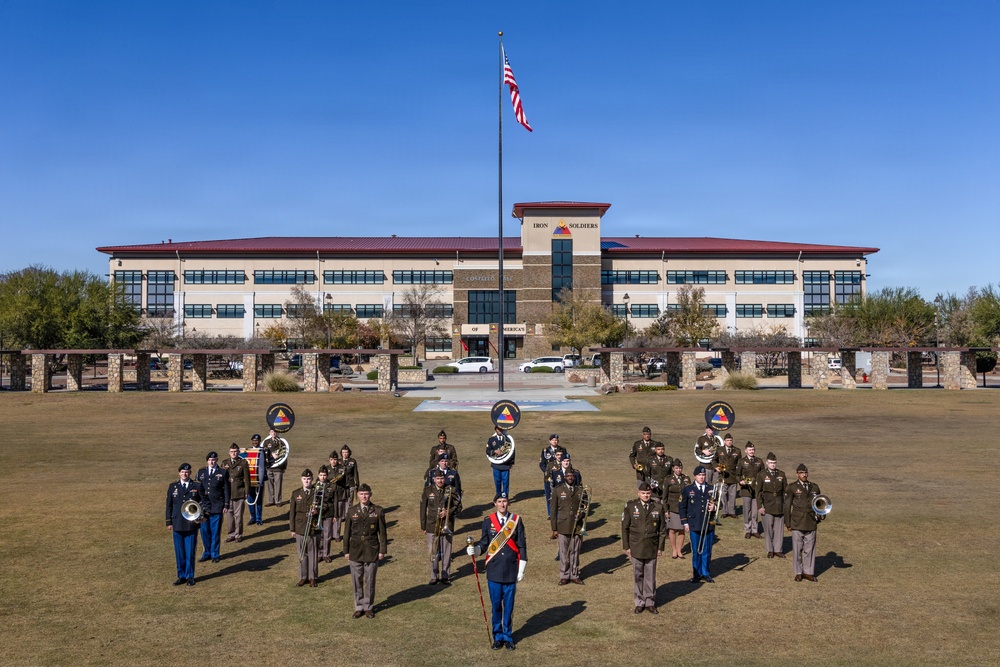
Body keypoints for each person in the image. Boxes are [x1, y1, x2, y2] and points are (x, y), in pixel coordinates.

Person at [467, 493, 527, 650]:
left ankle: (508, 636)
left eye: (505, 501)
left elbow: (521, 545)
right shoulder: (488, 521)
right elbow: (484, 543)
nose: (502, 504)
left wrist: (521, 569)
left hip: (510, 570)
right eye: (499, 502)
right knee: (496, 606)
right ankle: (497, 636)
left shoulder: (516, 521)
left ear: (508, 503)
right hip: (494, 571)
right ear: (495, 504)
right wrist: (476, 550)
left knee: (508, 606)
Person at [621, 482, 667, 613]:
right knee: (638, 575)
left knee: (650, 575)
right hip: (636, 545)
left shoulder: (658, 507)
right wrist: (626, 546)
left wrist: (660, 547)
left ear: (651, 493)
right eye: (643, 493)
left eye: (648, 493)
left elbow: (662, 529)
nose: (646, 495)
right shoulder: (631, 506)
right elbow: (625, 528)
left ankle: (650, 601)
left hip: (652, 546)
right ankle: (639, 601)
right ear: (638, 493)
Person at [344, 483, 388, 618]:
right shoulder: (352, 511)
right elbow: (346, 533)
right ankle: (359, 606)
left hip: (371, 549)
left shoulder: (378, 511)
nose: (364, 496)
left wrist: (382, 550)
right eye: (362, 494)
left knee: (370, 579)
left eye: (366, 494)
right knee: (356, 579)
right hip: (355, 550)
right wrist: (346, 550)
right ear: (358, 495)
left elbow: (383, 533)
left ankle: (368, 606)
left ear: (370, 494)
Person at [165, 463, 204, 586]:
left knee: (190, 551)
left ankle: (190, 576)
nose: (184, 474)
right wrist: (168, 522)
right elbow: (169, 505)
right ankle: (181, 575)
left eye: (186, 472)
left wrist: (203, 516)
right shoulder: (173, 486)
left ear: (190, 473)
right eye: (182, 472)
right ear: (179, 473)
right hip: (177, 523)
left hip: (190, 524)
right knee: (179, 552)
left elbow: (204, 502)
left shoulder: (196, 486)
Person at [784, 463, 824, 582]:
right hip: (797, 522)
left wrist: (821, 515)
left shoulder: (814, 487)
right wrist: (788, 523)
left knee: (810, 549)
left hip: (811, 521)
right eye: (801, 473)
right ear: (797, 474)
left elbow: (820, 503)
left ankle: (808, 572)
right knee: (797, 549)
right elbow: (787, 506)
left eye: (805, 473)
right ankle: (798, 572)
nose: (804, 475)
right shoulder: (792, 487)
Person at [420, 469, 459, 585]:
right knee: (433, 552)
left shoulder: (451, 490)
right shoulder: (427, 491)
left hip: (447, 525)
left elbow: (459, 505)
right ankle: (434, 576)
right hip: (432, 525)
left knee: (447, 552)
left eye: (442, 478)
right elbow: (422, 509)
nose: (440, 480)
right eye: (438, 479)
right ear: (434, 479)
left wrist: (448, 512)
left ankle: (446, 575)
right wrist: (423, 525)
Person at [679, 465, 717, 584]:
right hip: (694, 523)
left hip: (708, 523)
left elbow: (719, 503)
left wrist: (714, 507)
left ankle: (705, 573)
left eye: (703, 475)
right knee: (696, 550)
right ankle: (696, 574)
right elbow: (682, 507)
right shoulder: (688, 489)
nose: (702, 477)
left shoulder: (711, 488)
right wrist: (685, 523)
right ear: (695, 476)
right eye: (699, 475)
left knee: (707, 550)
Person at [550, 469, 585, 585]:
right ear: (564, 477)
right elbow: (553, 511)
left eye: (572, 476)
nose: (570, 477)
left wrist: (582, 513)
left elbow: (585, 507)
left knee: (575, 552)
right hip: (562, 526)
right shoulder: (557, 490)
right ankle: (564, 575)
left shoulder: (580, 490)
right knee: (564, 552)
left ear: (574, 477)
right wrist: (554, 529)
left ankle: (574, 574)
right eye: (568, 475)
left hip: (577, 526)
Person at [195, 451, 229, 563]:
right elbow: (197, 489)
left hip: (217, 506)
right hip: (204, 507)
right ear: (207, 461)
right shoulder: (201, 472)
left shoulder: (223, 473)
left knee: (215, 532)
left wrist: (226, 504)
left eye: (214, 460)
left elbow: (226, 490)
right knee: (204, 531)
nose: (212, 462)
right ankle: (207, 553)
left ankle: (215, 554)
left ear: (217, 460)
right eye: (210, 460)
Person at [289, 469, 321, 587]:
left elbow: (327, 505)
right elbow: (292, 513)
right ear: (301, 479)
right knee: (302, 554)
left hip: (313, 527)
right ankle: (303, 577)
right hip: (300, 528)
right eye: (304, 479)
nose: (306, 481)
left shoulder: (317, 492)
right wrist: (292, 529)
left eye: (308, 479)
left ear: (312, 480)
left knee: (313, 554)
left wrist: (317, 511)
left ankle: (312, 577)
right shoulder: (295, 493)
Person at [756, 452, 787, 559]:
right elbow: (758, 492)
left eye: (774, 463)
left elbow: (785, 491)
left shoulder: (781, 474)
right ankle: (770, 550)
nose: (773, 465)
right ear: (766, 463)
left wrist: (785, 506)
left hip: (779, 506)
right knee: (768, 529)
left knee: (779, 530)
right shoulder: (762, 475)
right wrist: (760, 506)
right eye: (770, 463)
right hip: (767, 505)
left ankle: (778, 550)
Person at [221, 443, 251, 543]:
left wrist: (247, 491)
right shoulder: (224, 463)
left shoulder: (243, 463)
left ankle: (238, 534)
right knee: (229, 516)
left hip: (239, 492)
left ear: (238, 452)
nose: (234, 453)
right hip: (228, 493)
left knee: (238, 516)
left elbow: (247, 479)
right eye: (232, 452)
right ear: (229, 453)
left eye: (235, 451)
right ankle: (231, 534)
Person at [734, 442, 764, 539]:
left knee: (755, 511)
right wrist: (740, 481)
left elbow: (763, 474)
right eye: (750, 450)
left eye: (753, 450)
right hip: (746, 490)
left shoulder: (759, 461)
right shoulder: (742, 461)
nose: (752, 451)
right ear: (746, 450)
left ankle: (755, 530)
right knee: (747, 510)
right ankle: (747, 529)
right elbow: (737, 475)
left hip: (756, 490)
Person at [664, 459, 691, 559]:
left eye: (680, 468)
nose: (678, 470)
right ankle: (674, 550)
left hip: (683, 507)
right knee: (672, 529)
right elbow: (664, 496)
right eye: (676, 468)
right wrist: (666, 510)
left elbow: (690, 493)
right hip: (673, 507)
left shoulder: (686, 478)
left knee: (682, 529)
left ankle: (679, 550)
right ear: (673, 469)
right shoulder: (668, 479)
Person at [333, 445, 360, 540]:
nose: (345, 454)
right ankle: (336, 535)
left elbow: (356, 473)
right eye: (343, 452)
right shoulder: (338, 461)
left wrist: (358, 485)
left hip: (351, 486)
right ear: (341, 453)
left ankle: (349, 532)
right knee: (339, 511)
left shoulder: (353, 461)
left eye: (346, 452)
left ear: (349, 453)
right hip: (341, 488)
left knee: (349, 509)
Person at [713, 433, 741, 518]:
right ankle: (725, 511)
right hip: (722, 476)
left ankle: (732, 511)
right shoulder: (719, 450)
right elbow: (714, 460)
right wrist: (716, 467)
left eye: (730, 440)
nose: (729, 442)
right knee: (723, 495)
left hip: (733, 476)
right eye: (727, 440)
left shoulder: (737, 451)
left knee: (732, 495)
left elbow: (740, 464)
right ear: (724, 441)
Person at [314, 467, 339, 563]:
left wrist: (336, 515)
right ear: (318, 475)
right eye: (321, 475)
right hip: (318, 514)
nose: (322, 477)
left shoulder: (332, 486)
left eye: (324, 475)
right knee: (318, 535)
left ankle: (326, 554)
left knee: (327, 535)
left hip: (329, 513)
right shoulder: (314, 486)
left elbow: (335, 501)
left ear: (327, 476)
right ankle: (319, 554)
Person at [246, 434, 271, 526]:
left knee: (259, 499)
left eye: (257, 440)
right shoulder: (248, 451)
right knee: (250, 498)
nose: (255, 442)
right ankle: (252, 517)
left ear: (260, 441)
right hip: (250, 478)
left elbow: (269, 461)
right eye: (253, 440)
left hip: (259, 478)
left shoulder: (264, 451)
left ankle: (259, 519)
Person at [539, 434, 565, 517]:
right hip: (548, 477)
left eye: (556, 440)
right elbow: (542, 464)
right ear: (550, 441)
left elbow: (566, 461)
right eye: (553, 440)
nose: (555, 441)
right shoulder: (545, 451)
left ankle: (560, 512)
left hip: (560, 477)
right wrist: (547, 472)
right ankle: (550, 513)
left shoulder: (563, 450)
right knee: (549, 495)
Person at [487, 426, 515, 499]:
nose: (500, 430)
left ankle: (505, 498)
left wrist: (511, 463)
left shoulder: (508, 439)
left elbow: (512, 451)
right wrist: (494, 451)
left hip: (505, 465)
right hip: (496, 465)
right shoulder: (491, 439)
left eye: (501, 429)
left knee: (505, 483)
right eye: (498, 429)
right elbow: (487, 451)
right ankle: (498, 498)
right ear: (496, 429)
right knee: (497, 482)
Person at [265, 429, 288, 506]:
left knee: (278, 485)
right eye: (272, 432)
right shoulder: (266, 442)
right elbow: (263, 453)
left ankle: (278, 501)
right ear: (269, 433)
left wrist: (284, 467)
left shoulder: (281, 442)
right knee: (269, 485)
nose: (273, 433)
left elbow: (285, 454)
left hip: (278, 467)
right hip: (269, 467)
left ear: (277, 432)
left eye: (275, 432)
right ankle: (271, 500)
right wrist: (272, 455)